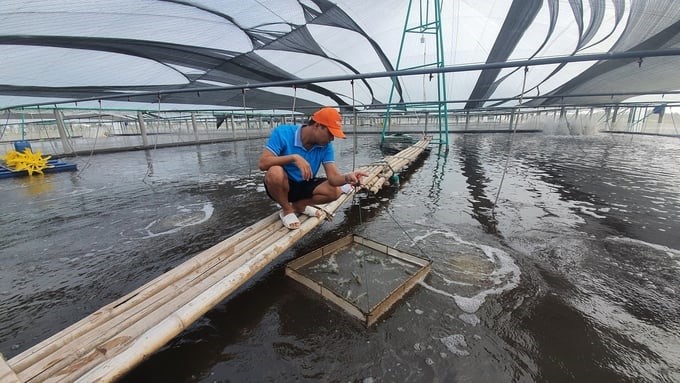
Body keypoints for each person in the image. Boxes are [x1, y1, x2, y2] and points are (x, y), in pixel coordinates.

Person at [258, 107, 368, 229]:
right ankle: (287, 210)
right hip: (283, 186)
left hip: (305, 183)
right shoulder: (283, 133)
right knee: (275, 172)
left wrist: (348, 178)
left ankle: (299, 206)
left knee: (335, 191)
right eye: (330, 134)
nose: (332, 139)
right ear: (317, 125)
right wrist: (293, 158)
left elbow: (333, 178)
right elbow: (263, 163)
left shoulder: (326, 146)